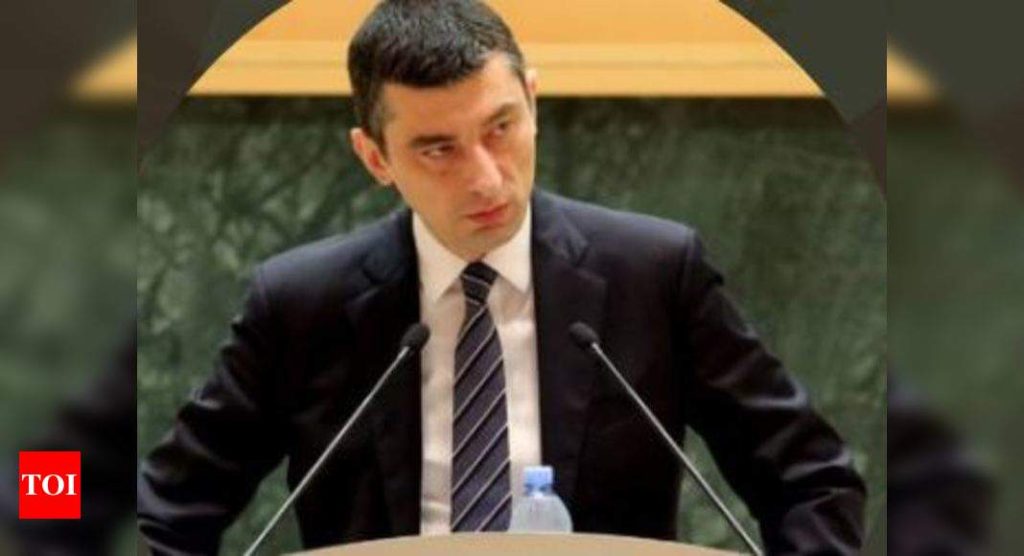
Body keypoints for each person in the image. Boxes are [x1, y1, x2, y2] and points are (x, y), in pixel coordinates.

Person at [138, 1, 867, 553]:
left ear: (533, 103)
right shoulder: (303, 303)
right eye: (438, 149)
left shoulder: (653, 272)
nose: (486, 177)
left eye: (501, 128)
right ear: (375, 158)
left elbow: (812, 478)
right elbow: (163, 508)